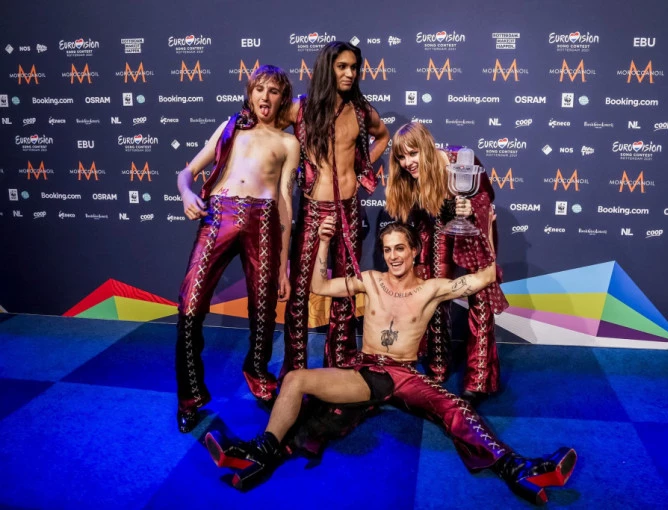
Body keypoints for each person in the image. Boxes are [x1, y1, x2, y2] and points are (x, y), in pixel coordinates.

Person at [204, 217, 577, 506]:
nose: (394, 256)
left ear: (414, 251)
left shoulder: (431, 288)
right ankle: (261, 453)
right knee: (298, 384)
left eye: (400, 248)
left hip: (403, 374)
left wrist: (486, 228)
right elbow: (320, 286)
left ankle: (518, 470)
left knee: (455, 407)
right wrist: (323, 242)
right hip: (366, 371)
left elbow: (485, 277)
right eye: (387, 250)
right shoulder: (370, 280)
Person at [174, 65, 300, 433]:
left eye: (273, 91)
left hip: (264, 221)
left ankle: (258, 374)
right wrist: (186, 193)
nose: (265, 96)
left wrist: (284, 266)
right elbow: (187, 172)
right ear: (250, 93)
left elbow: (285, 203)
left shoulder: (289, 143)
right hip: (219, 216)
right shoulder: (231, 128)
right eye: (259, 89)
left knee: (263, 310)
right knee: (190, 305)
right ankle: (189, 397)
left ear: (283, 98)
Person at [280, 41, 390, 377]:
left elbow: (383, 136)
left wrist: (362, 169)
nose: (350, 73)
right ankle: (294, 370)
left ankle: (340, 365)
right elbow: (268, 130)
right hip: (313, 209)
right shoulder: (300, 108)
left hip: (350, 208)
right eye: (342, 66)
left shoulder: (360, 110)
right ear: (327, 68)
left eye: (354, 67)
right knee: (300, 292)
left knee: (345, 289)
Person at [385, 122, 508, 403]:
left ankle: (479, 379)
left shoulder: (459, 159)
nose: (407, 163)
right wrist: (422, 256)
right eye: (401, 157)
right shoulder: (408, 176)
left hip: (474, 227)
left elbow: (486, 198)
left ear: (427, 148)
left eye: (413, 154)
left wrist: (468, 207)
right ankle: (437, 365)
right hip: (437, 227)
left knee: (480, 295)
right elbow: (418, 214)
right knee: (434, 289)